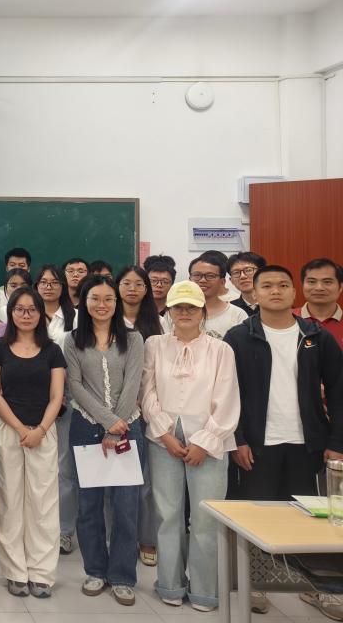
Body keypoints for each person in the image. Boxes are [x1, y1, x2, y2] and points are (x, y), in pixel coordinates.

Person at [224, 265, 343, 619]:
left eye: (282, 285)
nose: (275, 291)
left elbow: (338, 390)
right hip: (257, 445)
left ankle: (322, 589)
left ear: (294, 292)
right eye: (267, 286)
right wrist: (238, 439)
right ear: (254, 293)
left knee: (312, 519)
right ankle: (256, 585)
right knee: (255, 517)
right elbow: (228, 393)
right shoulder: (238, 336)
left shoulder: (317, 336)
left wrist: (337, 440)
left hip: (308, 444)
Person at [141, 280, 240, 612]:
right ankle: (170, 584)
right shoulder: (154, 345)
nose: (184, 312)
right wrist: (164, 433)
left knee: (205, 519)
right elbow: (147, 392)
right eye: (178, 307)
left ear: (202, 311)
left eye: (191, 307)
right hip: (164, 439)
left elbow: (227, 400)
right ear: (168, 311)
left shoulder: (220, 349)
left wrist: (204, 442)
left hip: (209, 443)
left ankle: (205, 591)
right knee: (167, 515)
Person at [64, 274, 145, 606]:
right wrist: (107, 421)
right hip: (85, 427)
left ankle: (123, 575)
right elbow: (75, 385)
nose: (102, 304)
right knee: (89, 506)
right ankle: (95, 570)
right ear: (84, 302)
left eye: (108, 299)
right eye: (95, 298)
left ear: (117, 302)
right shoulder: (72, 340)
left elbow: (134, 382)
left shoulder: (133, 338)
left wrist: (116, 426)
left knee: (126, 506)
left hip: (128, 427)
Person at [0, 288, 65, 599]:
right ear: (11, 313)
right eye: (19, 309)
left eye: (32, 309)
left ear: (40, 313)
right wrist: (20, 428)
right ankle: (15, 572)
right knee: (8, 501)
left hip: (43, 432)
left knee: (43, 503)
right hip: (9, 431)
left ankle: (42, 573)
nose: (26, 315)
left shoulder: (52, 350)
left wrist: (40, 430)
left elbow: (57, 396)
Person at [115, 264, 163, 567]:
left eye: (138, 284)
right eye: (126, 283)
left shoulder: (158, 322)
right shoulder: (106, 318)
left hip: (148, 407)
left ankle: (147, 538)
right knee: (114, 477)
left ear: (147, 289)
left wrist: (147, 401)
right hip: (113, 408)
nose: (132, 289)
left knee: (145, 479)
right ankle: (118, 537)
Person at [35, 264, 78, 555]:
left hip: (67, 399)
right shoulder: (27, 314)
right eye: (43, 282)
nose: (48, 287)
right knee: (37, 466)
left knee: (64, 467)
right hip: (32, 397)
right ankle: (38, 528)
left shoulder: (76, 317)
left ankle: (64, 530)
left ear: (63, 286)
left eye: (54, 282)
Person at [182, 253, 248, 339]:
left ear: (222, 282)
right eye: (197, 275)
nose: (202, 280)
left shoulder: (237, 315)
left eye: (210, 276)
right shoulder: (175, 312)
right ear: (190, 279)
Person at [297, 258, 343, 349]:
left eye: (327, 282)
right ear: (302, 285)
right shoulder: (285, 319)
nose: (319, 288)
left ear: (340, 287)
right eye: (311, 282)